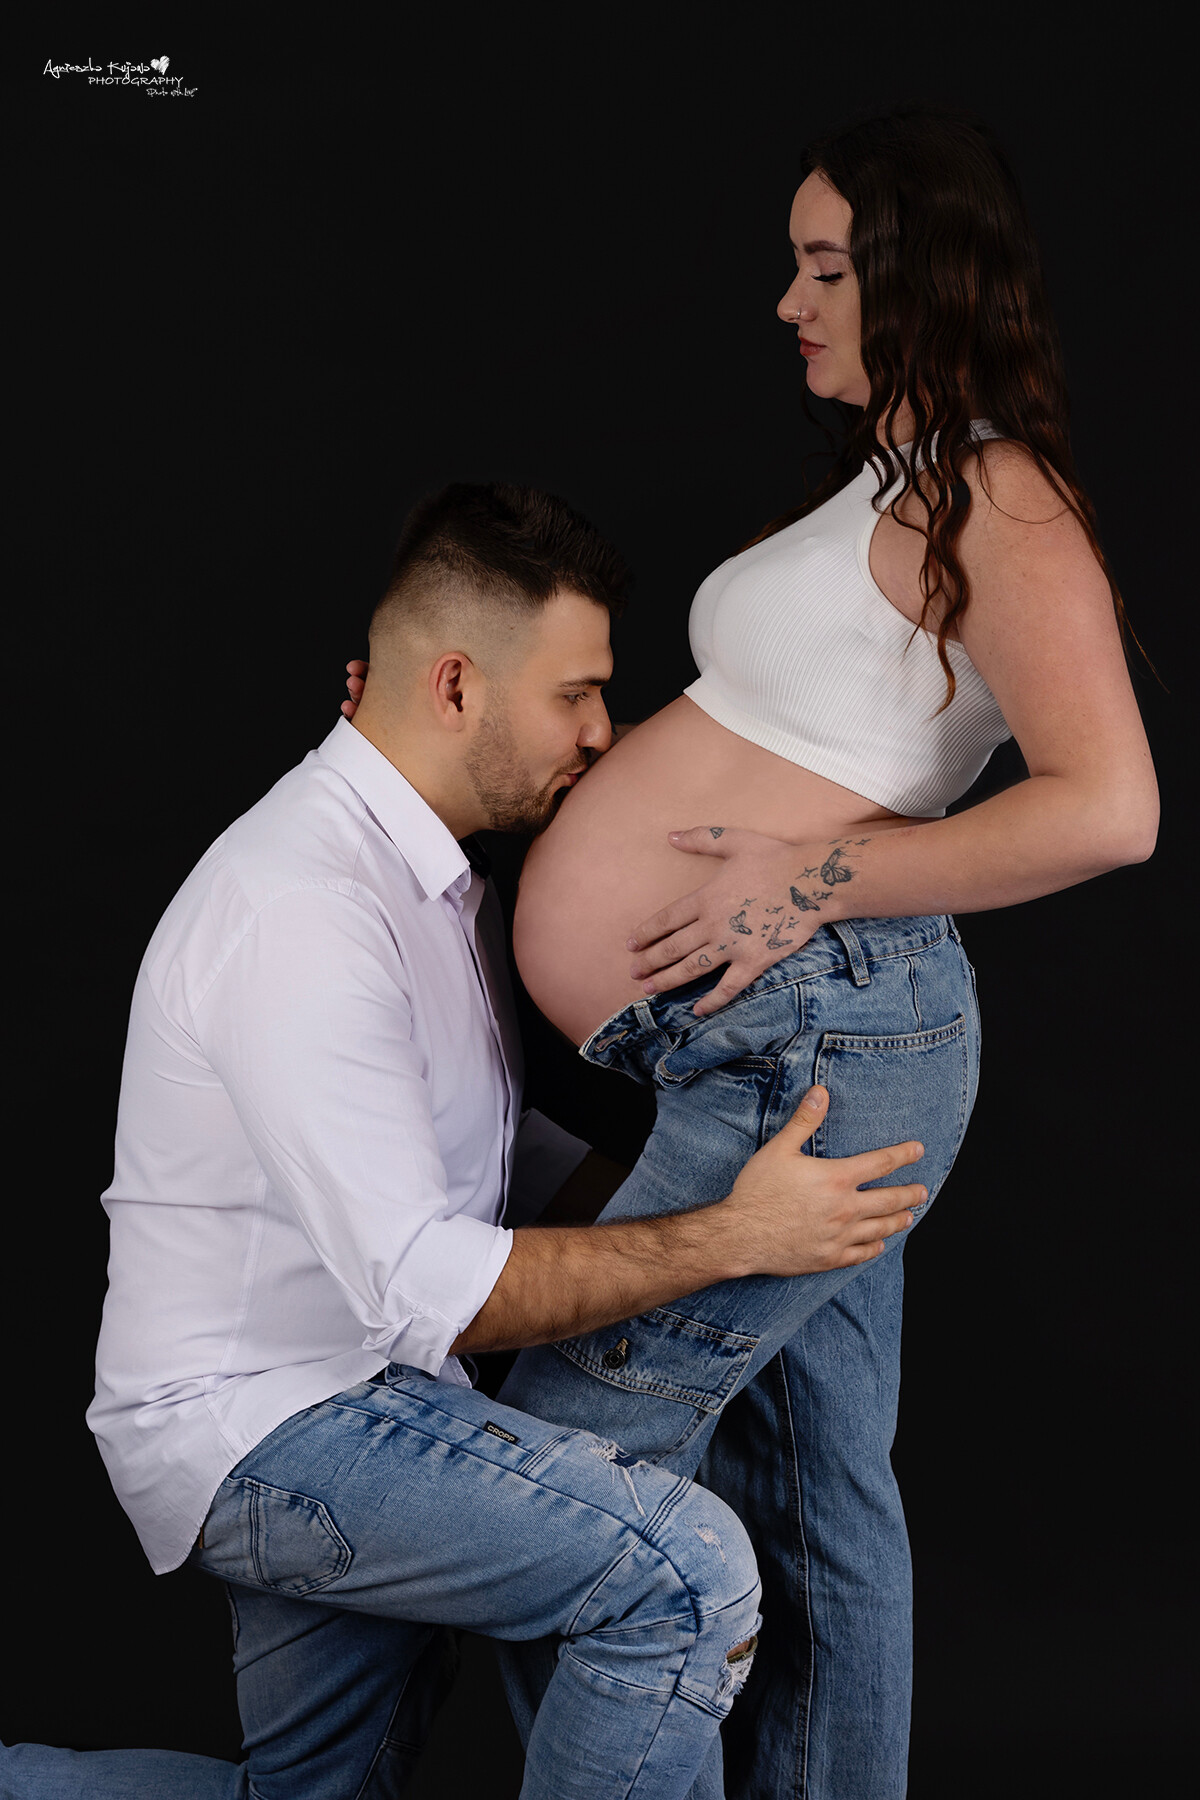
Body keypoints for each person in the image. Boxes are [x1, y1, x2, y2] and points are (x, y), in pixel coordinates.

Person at [347, 108, 1160, 1800]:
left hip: (822, 1042)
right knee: (816, 1501)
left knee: (558, 1478)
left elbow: (1111, 807)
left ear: (925, 275)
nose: (791, 304)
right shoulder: (895, 484)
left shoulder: (999, 496)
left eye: (827, 268)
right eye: (796, 267)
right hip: (786, 1039)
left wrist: (820, 870)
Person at [1, 483, 933, 1800]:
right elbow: (435, 1283)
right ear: (453, 686)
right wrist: (735, 1235)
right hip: (268, 1429)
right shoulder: (302, 909)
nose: (603, 732)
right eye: (576, 694)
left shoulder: (426, 879)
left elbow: (481, 1159)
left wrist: (717, 1192)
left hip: (361, 1391)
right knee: (684, 1576)